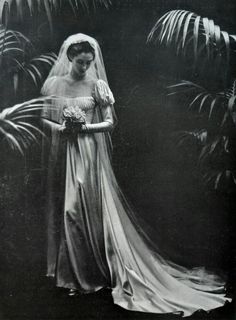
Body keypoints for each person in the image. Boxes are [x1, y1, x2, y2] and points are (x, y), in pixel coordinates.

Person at [41, 33, 231, 317]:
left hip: (91, 156)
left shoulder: (97, 84)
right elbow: (43, 118)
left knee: (91, 211)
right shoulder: (54, 84)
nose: (85, 67)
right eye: (81, 63)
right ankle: (75, 278)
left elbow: (108, 122)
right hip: (67, 153)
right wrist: (63, 129)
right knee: (70, 211)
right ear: (70, 57)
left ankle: (96, 273)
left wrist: (83, 129)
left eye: (89, 62)